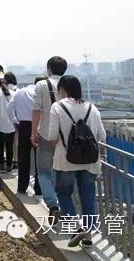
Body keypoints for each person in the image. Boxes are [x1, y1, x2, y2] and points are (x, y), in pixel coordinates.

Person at [47, 75, 106, 248]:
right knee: (88, 198)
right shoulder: (92, 108)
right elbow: (101, 135)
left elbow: (52, 137)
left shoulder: (57, 107)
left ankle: (75, 228)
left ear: (63, 90)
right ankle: (87, 236)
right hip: (89, 161)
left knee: (63, 193)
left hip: (65, 161)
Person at [31, 56, 67, 220]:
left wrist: (33, 132)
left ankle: (53, 205)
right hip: (66, 137)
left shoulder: (41, 85)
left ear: (49, 68)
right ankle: (67, 207)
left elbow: (36, 109)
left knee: (44, 172)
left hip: (46, 135)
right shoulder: (70, 83)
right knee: (64, 172)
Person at [8, 75, 44, 196]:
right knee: (40, 159)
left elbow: (9, 108)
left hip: (23, 126)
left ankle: (22, 187)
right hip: (39, 126)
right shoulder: (42, 93)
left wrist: (14, 121)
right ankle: (39, 189)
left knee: (23, 157)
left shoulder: (20, 92)